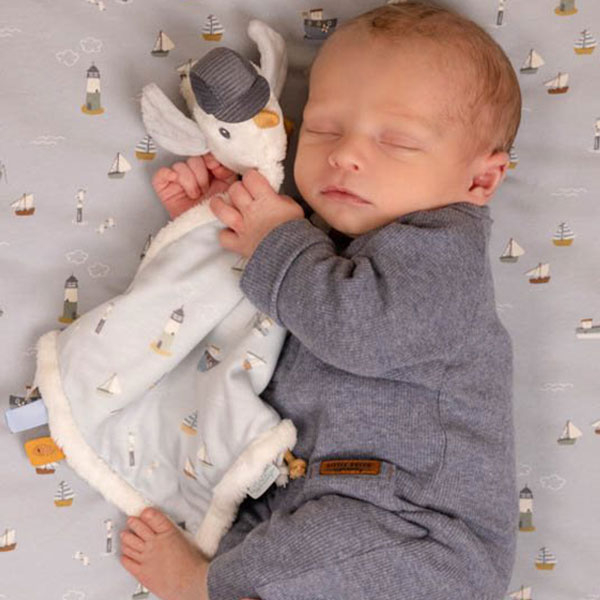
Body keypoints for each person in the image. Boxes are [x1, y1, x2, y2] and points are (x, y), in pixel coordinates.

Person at [119, 2, 522, 599]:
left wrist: (272, 242)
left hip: (422, 535)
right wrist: (218, 227)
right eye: (324, 129)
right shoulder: (325, 240)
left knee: (285, 558)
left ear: (480, 179)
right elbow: (265, 319)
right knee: (270, 544)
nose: (344, 154)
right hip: (315, 499)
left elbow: (358, 330)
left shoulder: (443, 254)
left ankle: (201, 585)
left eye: (397, 141)